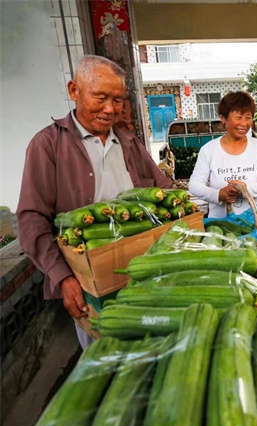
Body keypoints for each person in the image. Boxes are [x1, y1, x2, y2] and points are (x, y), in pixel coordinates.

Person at [17, 55, 173, 348]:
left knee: (152, 348)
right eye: (100, 97)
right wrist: (63, 278)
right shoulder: (48, 145)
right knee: (106, 356)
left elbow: (164, 190)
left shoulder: (128, 143)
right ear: (74, 90)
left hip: (147, 271)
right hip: (91, 283)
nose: (110, 109)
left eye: (118, 99)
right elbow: (30, 220)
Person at [189, 91, 257, 218]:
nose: (244, 123)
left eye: (248, 117)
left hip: (253, 222)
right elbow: (194, 185)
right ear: (223, 118)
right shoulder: (209, 149)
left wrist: (245, 188)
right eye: (238, 117)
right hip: (219, 225)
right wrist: (218, 194)